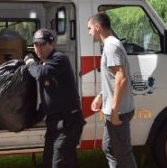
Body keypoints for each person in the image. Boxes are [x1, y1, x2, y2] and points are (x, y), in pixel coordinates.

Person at [24, 28, 86, 168]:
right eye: (35, 45)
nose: (38, 48)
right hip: (54, 125)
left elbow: (40, 74)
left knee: (59, 164)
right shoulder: (43, 63)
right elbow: (47, 100)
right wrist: (31, 119)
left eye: (42, 44)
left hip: (68, 124)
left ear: (51, 44)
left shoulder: (59, 58)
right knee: (48, 164)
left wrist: (29, 62)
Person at [88, 12, 137, 168]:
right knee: (108, 148)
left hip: (119, 111)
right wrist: (101, 96)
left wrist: (115, 110)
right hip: (114, 109)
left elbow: (121, 78)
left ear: (97, 27)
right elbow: (113, 77)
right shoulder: (111, 45)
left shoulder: (111, 46)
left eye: (89, 28)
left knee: (123, 154)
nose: (89, 32)